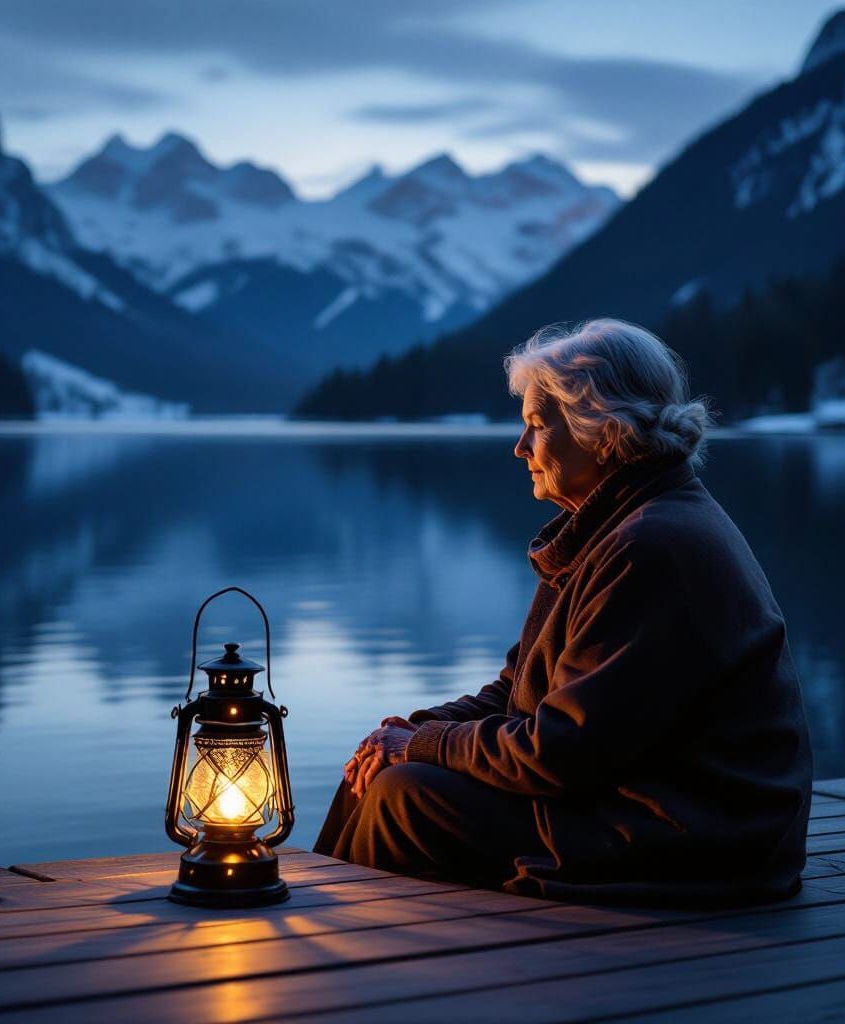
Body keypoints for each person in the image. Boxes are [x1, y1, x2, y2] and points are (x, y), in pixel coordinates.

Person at [313, 318, 813, 906]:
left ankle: (343, 943)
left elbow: (561, 752)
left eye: (535, 425)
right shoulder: (613, 528)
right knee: (375, 767)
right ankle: (326, 926)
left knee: (405, 797)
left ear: (601, 428)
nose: (520, 446)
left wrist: (423, 745)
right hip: (637, 799)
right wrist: (406, 732)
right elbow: (516, 691)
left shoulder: (650, 547)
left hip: (699, 834)